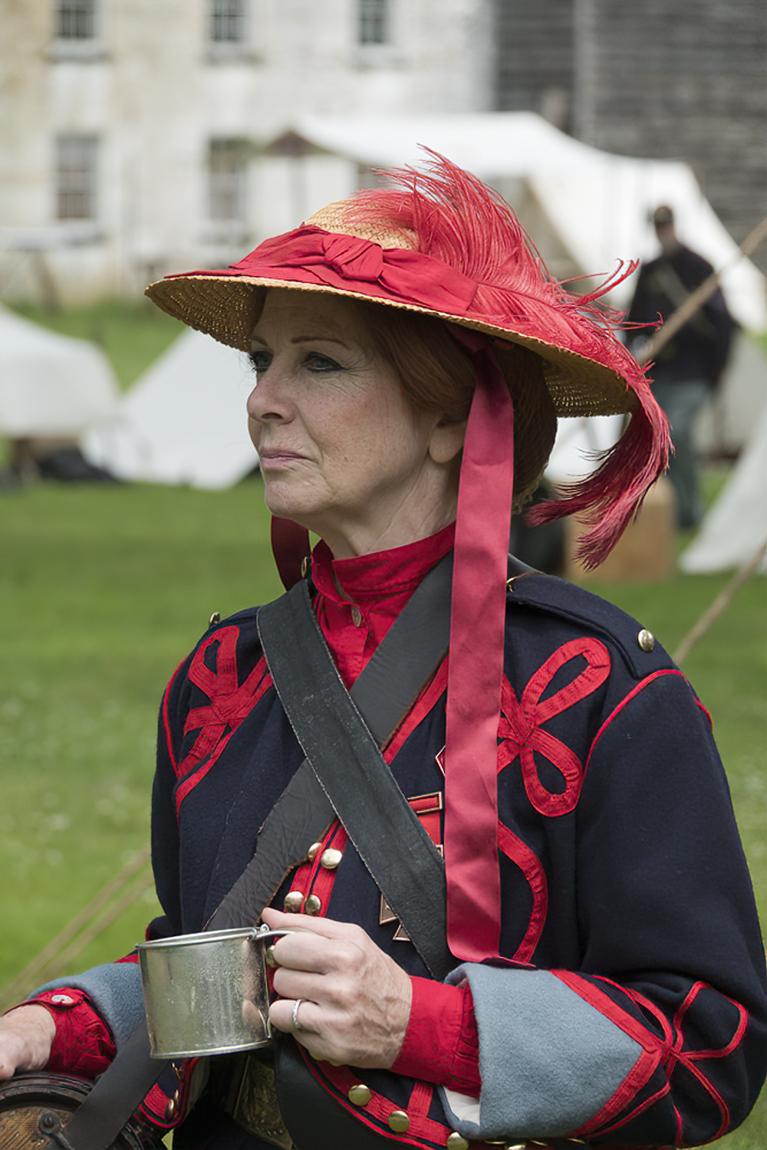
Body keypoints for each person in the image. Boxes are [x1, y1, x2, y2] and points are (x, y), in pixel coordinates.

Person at [0, 155, 765, 1150]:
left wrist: (427, 1026)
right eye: (258, 361)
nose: (262, 400)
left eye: (317, 362)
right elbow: (225, 973)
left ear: (450, 415)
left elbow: (711, 1047)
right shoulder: (220, 677)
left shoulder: (599, 689)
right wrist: (66, 1021)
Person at [627, 204, 737, 529]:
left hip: (693, 371)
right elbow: (635, 320)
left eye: (667, 226)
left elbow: (722, 326)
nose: (664, 233)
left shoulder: (699, 268)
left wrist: (717, 371)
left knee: (680, 433)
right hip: (660, 372)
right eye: (659, 227)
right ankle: (675, 512)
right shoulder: (650, 271)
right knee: (661, 441)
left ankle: (692, 510)